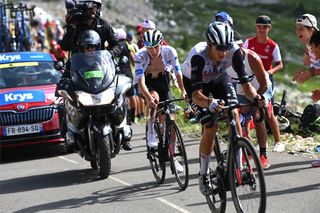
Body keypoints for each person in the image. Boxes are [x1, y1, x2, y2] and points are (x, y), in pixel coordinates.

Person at [182, 21, 263, 195]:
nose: (223, 52)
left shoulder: (234, 51)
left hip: (218, 78)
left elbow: (246, 84)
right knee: (210, 126)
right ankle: (203, 174)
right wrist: (210, 103)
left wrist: (256, 97)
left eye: (226, 48)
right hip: (195, 86)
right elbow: (196, 95)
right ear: (210, 45)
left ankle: (239, 167)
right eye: (219, 48)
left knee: (234, 112)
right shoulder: (198, 56)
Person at [135, 29, 187, 171]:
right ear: (145, 46)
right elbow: (140, 81)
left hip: (163, 80)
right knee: (154, 99)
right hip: (147, 82)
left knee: (171, 119)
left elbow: (178, 73)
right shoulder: (140, 55)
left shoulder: (170, 52)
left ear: (161, 43)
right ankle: (151, 129)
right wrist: (148, 98)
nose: (153, 50)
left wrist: (183, 91)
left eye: (156, 46)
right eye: (149, 47)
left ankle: (173, 156)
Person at [226, 31, 272, 169]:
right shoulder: (224, 60)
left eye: (239, 48)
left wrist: (255, 102)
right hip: (242, 88)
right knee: (236, 118)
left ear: (242, 46)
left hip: (261, 88)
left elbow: (263, 83)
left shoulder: (252, 57)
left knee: (257, 116)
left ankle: (263, 155)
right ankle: (245, 151)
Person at [243, 15, 284, 153]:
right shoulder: (248, 42)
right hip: (250, 79)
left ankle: (278, 142)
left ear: (269, 28)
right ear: (256, 27)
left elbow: (280, 65)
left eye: (264, 27)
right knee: (248, 108)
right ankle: (248, 140)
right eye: (259, 27)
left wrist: (269, 72)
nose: (261, 30)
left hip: (266, 80)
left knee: (268, 111)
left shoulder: (273, 46)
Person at [60, 0, 121, 70]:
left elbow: (117, 45)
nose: (94, 9)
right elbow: (64, 47)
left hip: (100, 67)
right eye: (90, 5)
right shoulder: (74, 24)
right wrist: (71, 27)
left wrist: (109, 54)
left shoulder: (104, 25)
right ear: (82, 7)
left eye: (96, 6)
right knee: (64, 80)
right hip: (76, 69)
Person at [113, 28, 134, 151]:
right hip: (126, 75)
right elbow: (133, 59)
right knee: (128, 99)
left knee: (123, 100)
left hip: (118, 77)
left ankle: (127, 123)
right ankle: (131, 118)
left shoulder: (112, 47)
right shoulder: (127, 45)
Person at [292, 14, 320, 83]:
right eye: (297, 29)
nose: (298, 32)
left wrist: (310, 73)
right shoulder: (309, 44)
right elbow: (307, 63)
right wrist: (305, 72)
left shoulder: (317, 44)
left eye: (301, 29)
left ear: (311, 30)